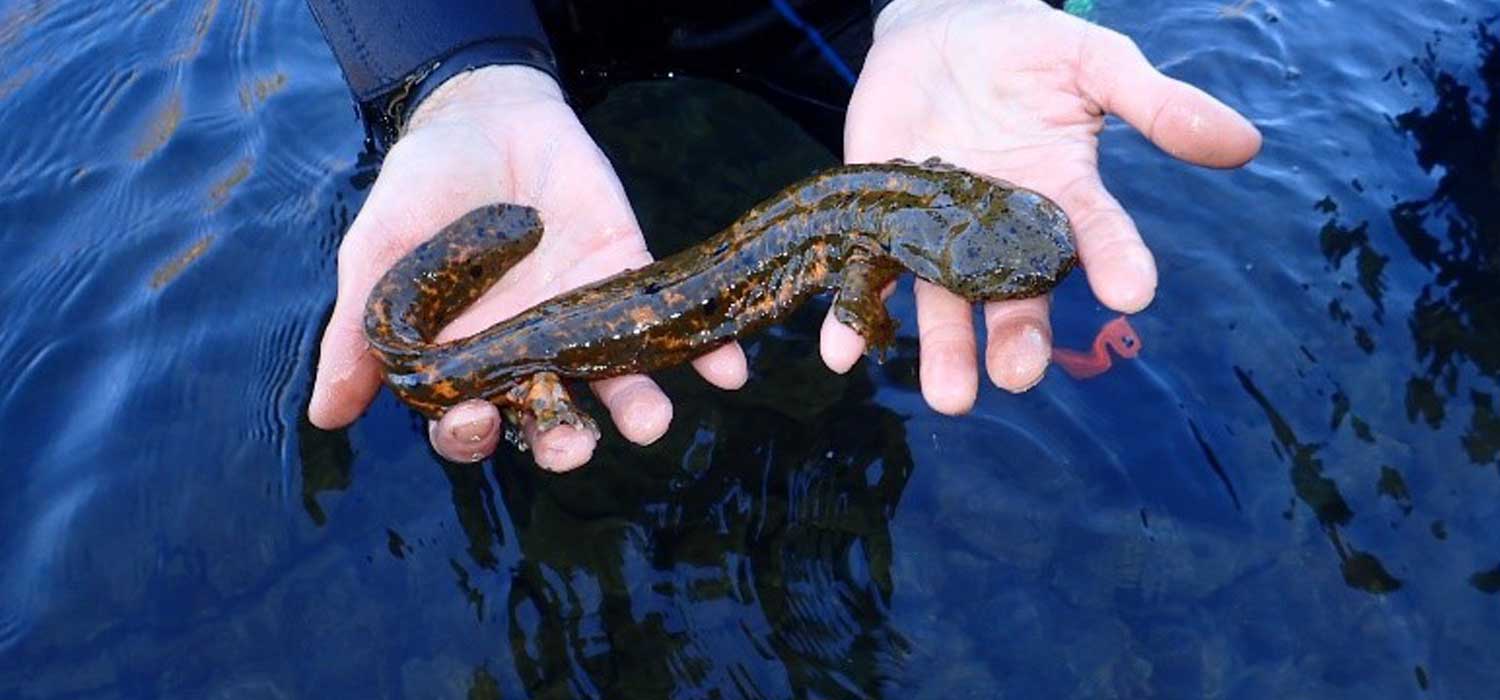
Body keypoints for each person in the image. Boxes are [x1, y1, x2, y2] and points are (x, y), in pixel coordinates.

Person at [304, 0, 1261, 471]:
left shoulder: (892, 201)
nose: (1023, 247)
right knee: (515, 388)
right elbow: (861, 274)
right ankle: (539, 405)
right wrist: (450, 75)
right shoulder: (889, 215)